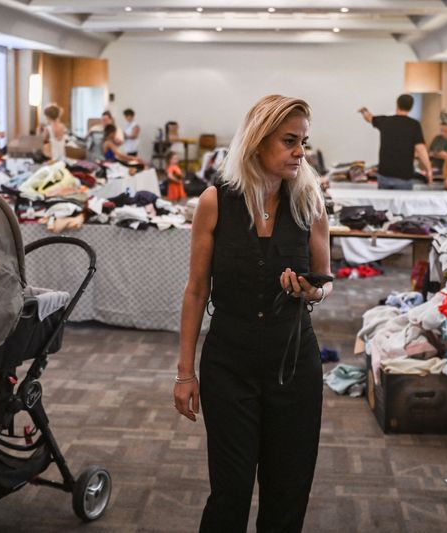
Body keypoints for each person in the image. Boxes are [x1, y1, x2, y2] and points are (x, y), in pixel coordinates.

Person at [174, 94, 331, 533]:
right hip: (230, 365)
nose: (301, 151)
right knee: (231, 491)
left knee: (287, 492)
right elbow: (195, 291)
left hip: (294, 364)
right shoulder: (215, 201)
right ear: (258, 142)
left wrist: (312, 293)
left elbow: (325, 278)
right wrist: (185, 373)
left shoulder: (310, 202)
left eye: (303, 141)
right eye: (289, 141)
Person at [358, 94, 433, 189]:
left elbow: (369, 118)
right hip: (404, 177)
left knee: (383, 204)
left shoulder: (386, 121)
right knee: (403, 204)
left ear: (397, 104)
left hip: (385, 175)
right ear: (411, 107)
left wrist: (363, 111)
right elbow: (421, 149)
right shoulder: (414, 125)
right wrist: (428, 170)